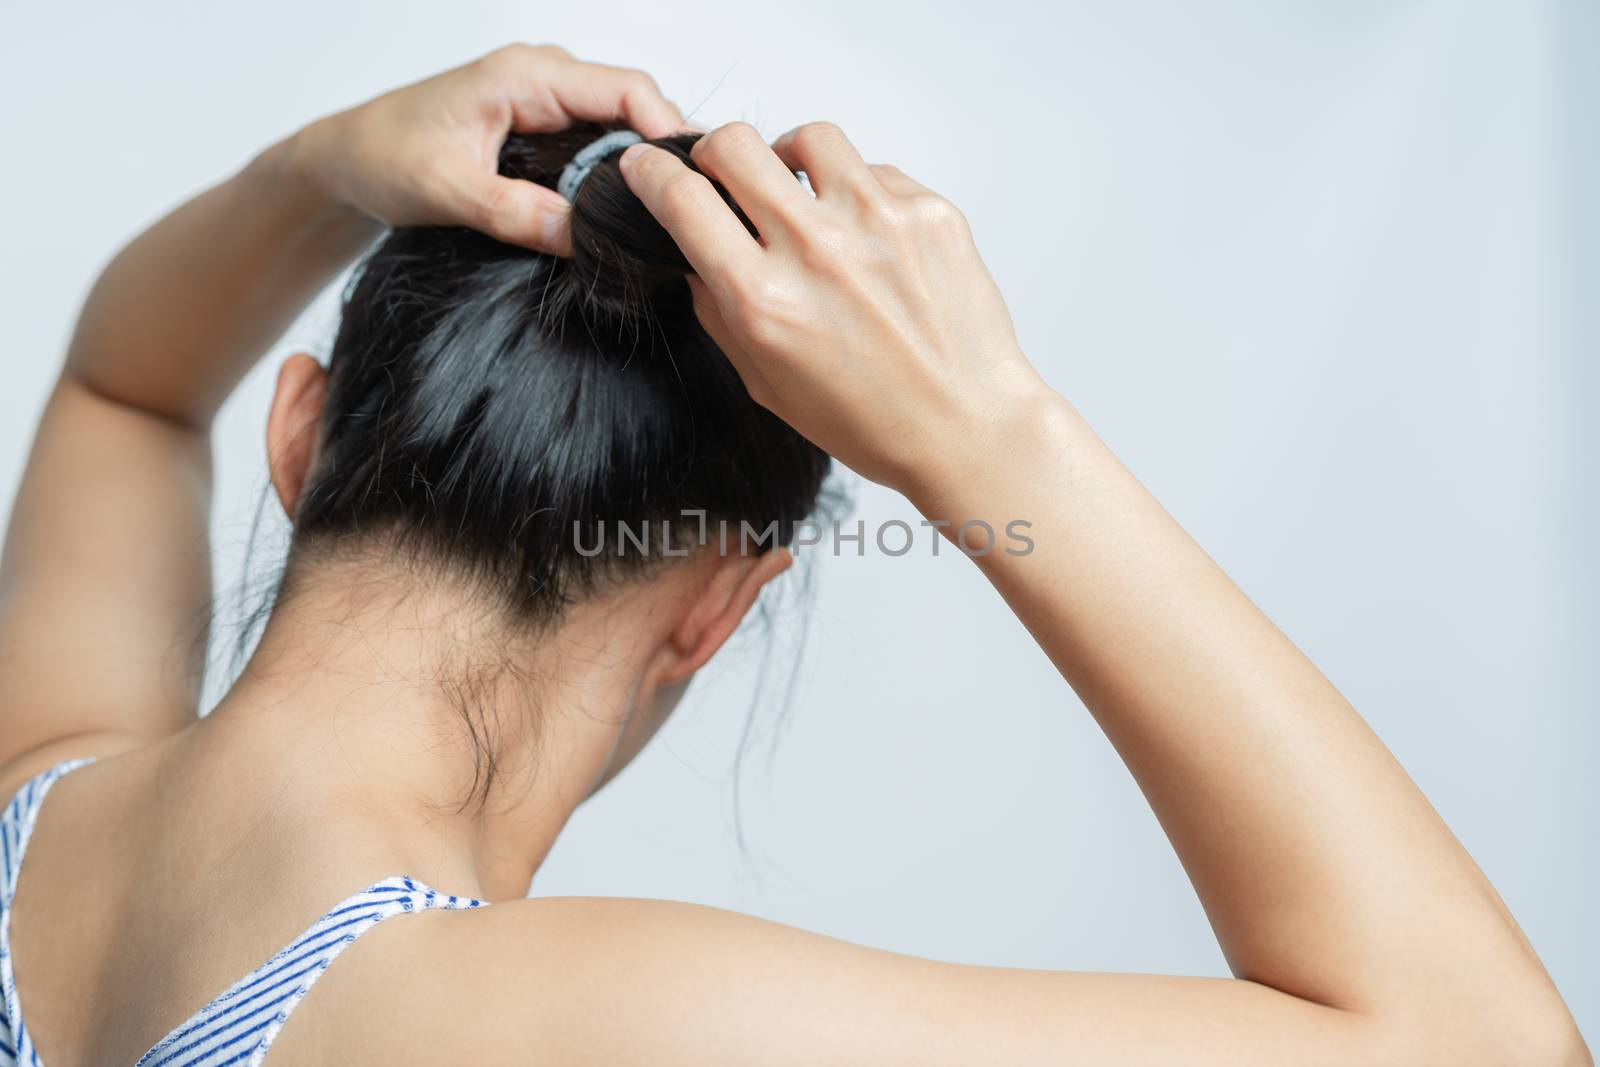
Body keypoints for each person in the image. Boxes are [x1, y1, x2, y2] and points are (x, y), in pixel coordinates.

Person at [0, 43, 1586, 1067]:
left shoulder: (34, 804)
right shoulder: (530, 1028)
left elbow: (123, 386)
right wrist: (985, 431)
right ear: (719, 608)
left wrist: (316, 167)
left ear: (299, 436)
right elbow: (1489, 1048)